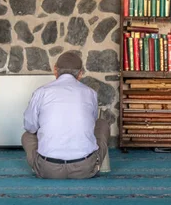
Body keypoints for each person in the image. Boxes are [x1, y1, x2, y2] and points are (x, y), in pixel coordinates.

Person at [22, 51, 110, 179]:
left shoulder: (41, 92)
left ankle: (40, 164)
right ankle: (99, 166)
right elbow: (92, 122)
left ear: (55, 70)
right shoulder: (90, 93)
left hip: (48, 170)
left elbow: (29, 126)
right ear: (80, 74)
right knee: (102, 124)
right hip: (85, 169)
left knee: (27, 135)